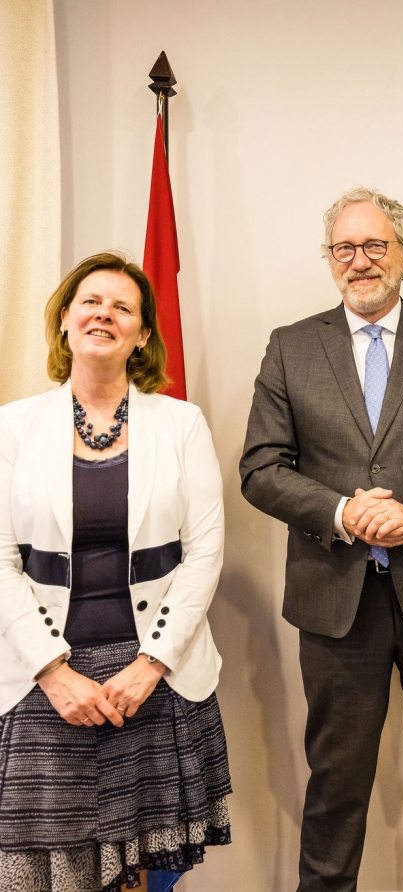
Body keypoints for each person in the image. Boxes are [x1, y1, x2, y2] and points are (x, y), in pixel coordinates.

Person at [240, 187, 403, 892]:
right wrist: (341, 511)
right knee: (335, 788)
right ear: (330, 259)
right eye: (344, 248)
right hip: (335, 603)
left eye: (374, 246)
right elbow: (261, 469)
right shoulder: (291, 347)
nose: (359, 261)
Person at [0, 253, 231, 891]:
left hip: (154, 680)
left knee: (145, 880)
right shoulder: (12, 426)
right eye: (90, 302)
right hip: (45, 684)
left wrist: (150, 664)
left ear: (142, 334)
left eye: (122, 307)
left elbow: (205, 552)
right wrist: (53, 672)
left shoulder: (181, 422)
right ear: (65, 321)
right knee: (50, 876)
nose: (104, 314)